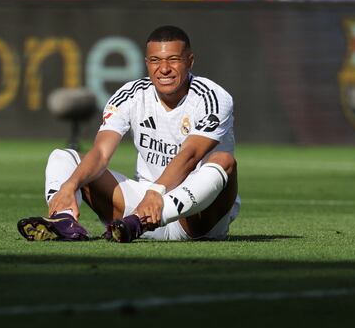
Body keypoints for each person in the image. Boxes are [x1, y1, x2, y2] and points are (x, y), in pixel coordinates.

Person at [17, 25, 240, 243]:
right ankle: (63, 220)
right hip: (139, 207)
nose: (164, 69)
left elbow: (190, 155)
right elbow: (101, 153)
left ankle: (140, 222)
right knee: (64, 157)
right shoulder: (130, 94)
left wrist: (156, 193)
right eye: (155, 60)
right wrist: (69, 185)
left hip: (194, 218)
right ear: (146, 63)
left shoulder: (213, 97)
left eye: (173, 59)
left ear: (189, 61)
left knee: (224, 161)